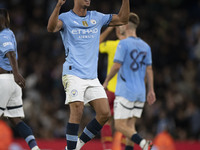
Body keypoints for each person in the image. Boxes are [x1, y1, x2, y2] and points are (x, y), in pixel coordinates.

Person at [47, 0, 130, 149]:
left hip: (91, 77)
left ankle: (76, 145)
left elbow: (123, 19)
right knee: (77, 107)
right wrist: (58, 5)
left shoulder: (96, 17)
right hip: (73, 74)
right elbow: (51, 27)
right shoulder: (66, 17)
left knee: (104, 113)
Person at [103, 13, 156, 150]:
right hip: (140, 92)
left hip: (125, 91)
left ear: (126, 26)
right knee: (130, 127)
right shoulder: (146, 46)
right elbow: (149, 70)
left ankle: (144, 143)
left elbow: (116, 66)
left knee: (120, 125)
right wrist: (151, 90)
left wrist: (106, 81)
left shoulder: (123, 44)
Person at [0, 9, 40, 150]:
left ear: (3, 20)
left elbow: (10, 53)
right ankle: (35, 148)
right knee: (15, 119)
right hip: (12, 82)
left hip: (4, 80)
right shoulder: (10, 33)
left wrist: (17, 74)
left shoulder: (3, 35)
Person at [99, 27, 126, 150]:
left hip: (110, 89)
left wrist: (109, 28)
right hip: (126, 91)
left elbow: (97, 43)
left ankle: (108, 148)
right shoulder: (134, 47)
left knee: (106, 120)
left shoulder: (112, 45)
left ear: (117, 31)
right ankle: (122, 147)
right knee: (125, 123)